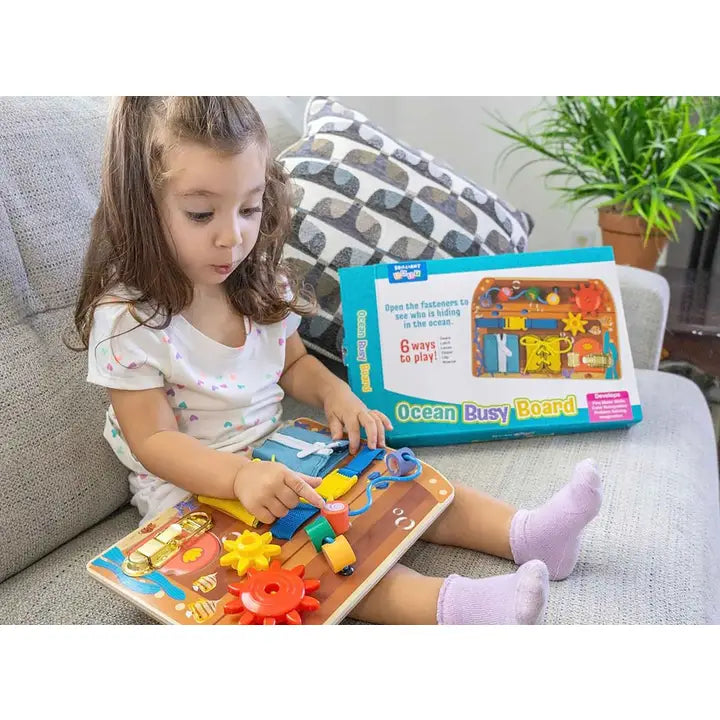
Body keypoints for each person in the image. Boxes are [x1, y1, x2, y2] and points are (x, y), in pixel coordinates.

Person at [74, 96, 603, 625]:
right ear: (143, 206)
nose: (232, 236)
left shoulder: (255, 282)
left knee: (399, 479)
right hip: (195, 494)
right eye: (201, 213)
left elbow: (292, 364)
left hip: (280, 454)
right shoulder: (128, 320)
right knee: (320, 562)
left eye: (249, 209)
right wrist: (238, 477)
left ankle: (532, 534)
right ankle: (467, 608)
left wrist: (335, 393)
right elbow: (153, 441)